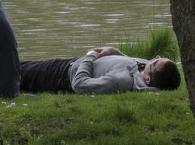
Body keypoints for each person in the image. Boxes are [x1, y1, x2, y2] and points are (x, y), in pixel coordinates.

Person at [19, 47, 181, 94]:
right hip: (70, 64)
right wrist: (114, 51)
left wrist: (89, 57)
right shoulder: (144, 70)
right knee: (18, 66)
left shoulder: (122, 81)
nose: (153, 58)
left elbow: (80, 84)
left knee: (19, 72)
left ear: (148, 80)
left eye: (154, 62)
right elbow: (129, 62)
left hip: (61, 76)